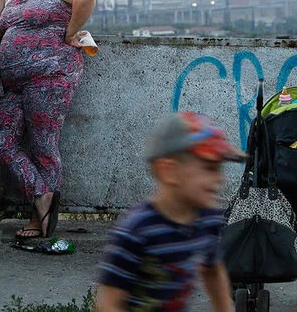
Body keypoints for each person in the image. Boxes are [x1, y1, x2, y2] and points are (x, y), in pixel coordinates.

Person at [0, 0, 96, 239]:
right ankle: (41, 194)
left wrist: (70, 33)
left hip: (50, 78)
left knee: (42, 147)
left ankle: (40, 220)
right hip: (13, 82)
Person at [96, 112, 242, 311]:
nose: (220, 179)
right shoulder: (136, 231)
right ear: (169, 171)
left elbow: (213, 269)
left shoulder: (207, 221)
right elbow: (108, 304)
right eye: (210, 168)